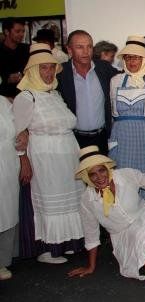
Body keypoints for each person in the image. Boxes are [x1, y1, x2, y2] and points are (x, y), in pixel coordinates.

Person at [68, 146, 145, 280]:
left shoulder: (126, 174)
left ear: (107, 168)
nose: (99, 177)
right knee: (144, 241)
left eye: (101, 170)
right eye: (93, 174)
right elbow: (91, 234)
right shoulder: (87, 200)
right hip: (124, 234)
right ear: (87, 177)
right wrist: (90, 267)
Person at [13, 43, 86, 264]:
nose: (48, 73)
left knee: (71, 199)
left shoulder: (54, 94)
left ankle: (69, 242)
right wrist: (23, 160)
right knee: (47, 200)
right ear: (33, 71)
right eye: (43, 68)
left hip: (67, 155)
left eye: (51, 68)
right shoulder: (26, 97)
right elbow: (17, 134)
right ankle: (47, 248)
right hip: (45, 157)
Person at [108, 36, 145, 206]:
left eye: (137, 57)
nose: (132, 61)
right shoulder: (115, 80)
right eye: (128, 57)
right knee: (123, 180)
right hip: (122, 136)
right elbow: (113, 111)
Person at [57, 30, 119, 155]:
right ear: (69, 50)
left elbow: (125, 79)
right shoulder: (61, 73)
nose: (86, 52)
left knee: (103, 174)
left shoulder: (104, 68)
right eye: (80, 47)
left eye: (89, 47)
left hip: (102, 137)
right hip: (74, 139)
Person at [0, 92, 20, 280]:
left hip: (8, 162)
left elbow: (17, 127)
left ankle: (2, 261)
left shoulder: (3, 102)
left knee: (7, 212)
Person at [0, 18, 30, 98]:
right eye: (17, 31)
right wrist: (7, 79)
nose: (21, 34)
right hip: (4, 99)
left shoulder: (27, 49)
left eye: (23, 31)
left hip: (26, 96)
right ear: (7, 32)